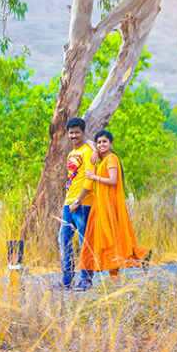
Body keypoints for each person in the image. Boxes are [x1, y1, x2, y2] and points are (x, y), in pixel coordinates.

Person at [79, 129, 149, 279]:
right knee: (109, 241)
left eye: (105, 141)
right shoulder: (103, 158)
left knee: (112, 239)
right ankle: (117, 276)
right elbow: (87, 140)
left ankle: (141, 256)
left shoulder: (111, 159)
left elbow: (113, 180)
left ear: (111, 143)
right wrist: (94, 150)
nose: (101, 144)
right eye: (99, 142)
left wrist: (94, 177)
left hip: (110, 204)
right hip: (103, 204)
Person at [55, 116, 96, 290]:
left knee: (83, 242)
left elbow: (89, 180)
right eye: (71, 133)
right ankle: (67, 279)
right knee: (64, 241)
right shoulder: (72, 154)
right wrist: (68, 203)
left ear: (83, 133)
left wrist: (78, 200)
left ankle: (86, 279)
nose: (73, 136)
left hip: (82, 203)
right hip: (69, 204)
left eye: (77, 133)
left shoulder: (87, 151)